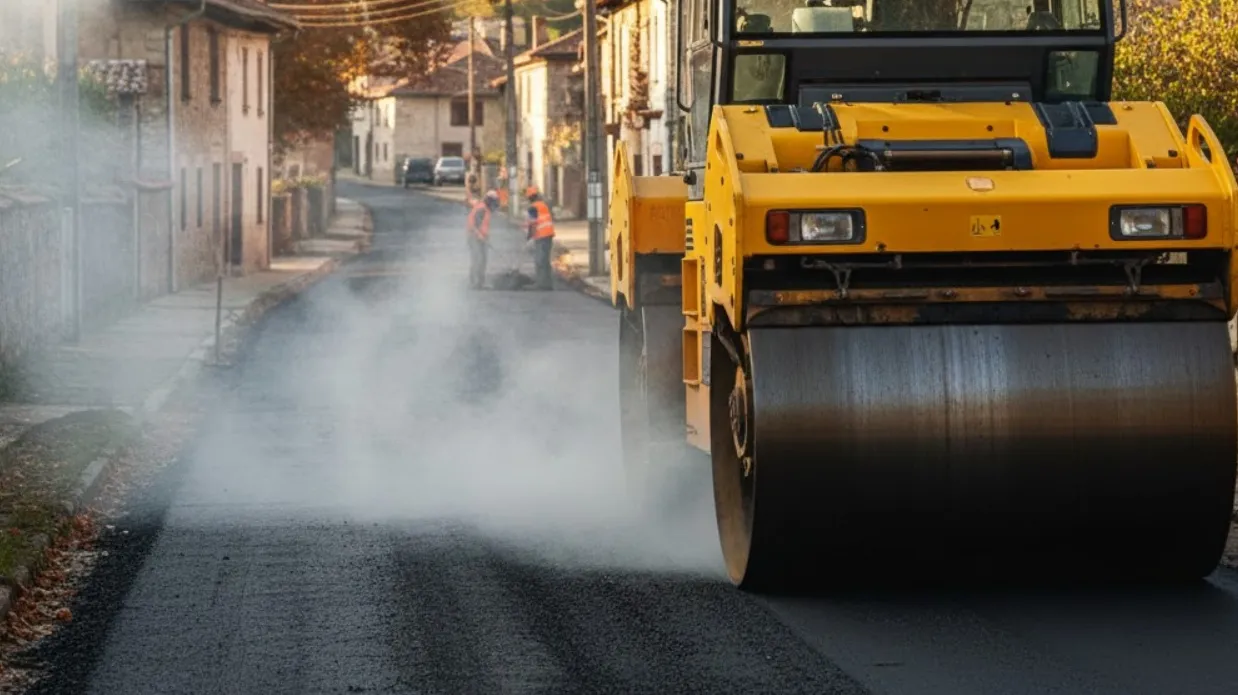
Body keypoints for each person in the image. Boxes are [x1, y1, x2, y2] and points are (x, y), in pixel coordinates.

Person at [524, 186, 556, 290]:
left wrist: (530, 238)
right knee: (545, 260)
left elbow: (532, 224)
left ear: (529, 197)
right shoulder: (543, 205)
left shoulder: (533, 207)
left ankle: (541, 284)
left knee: (539, 260)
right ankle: (547, 283)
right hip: (548, 234)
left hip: (541, 236)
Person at [467, 190, 499, 289]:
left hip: (482, 237)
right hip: (474, 237)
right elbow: (473, 225)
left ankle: (480, 282)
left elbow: (483, 225)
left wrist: (485, 237)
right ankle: (475, 282)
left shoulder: (486, 208)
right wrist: (479, 235)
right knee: (478, 259)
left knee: (483, 259)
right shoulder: (482, 209)